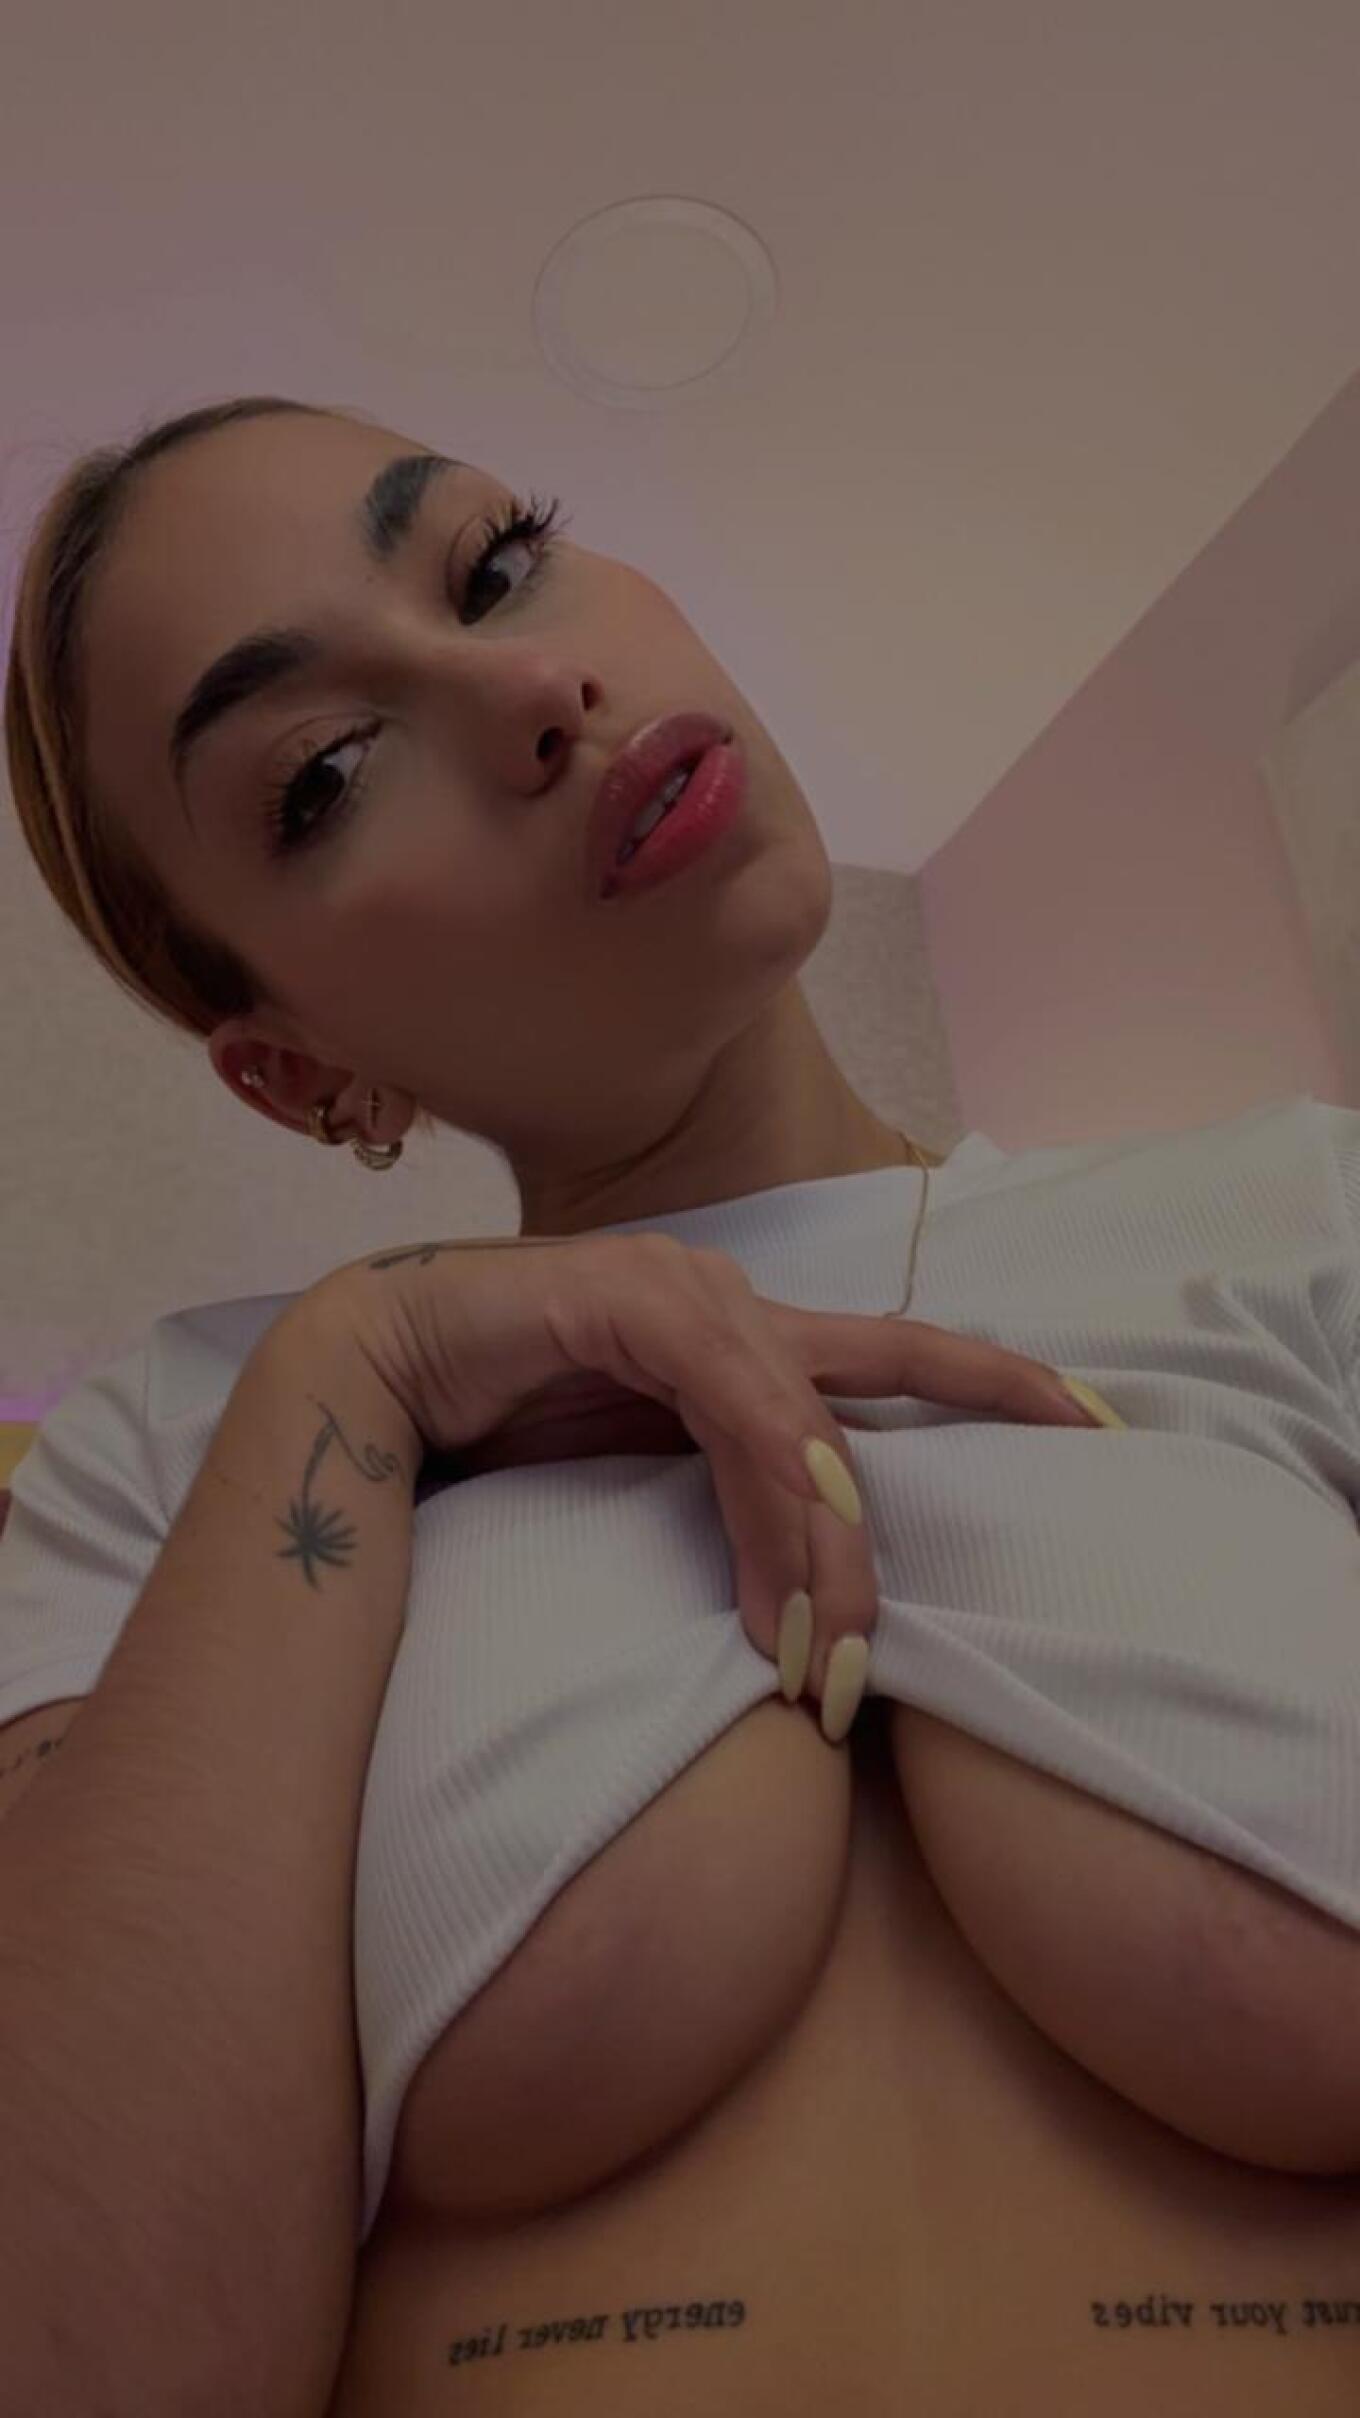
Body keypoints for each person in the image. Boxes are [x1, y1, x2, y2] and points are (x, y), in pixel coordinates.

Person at [3, 396, 1360, 2418]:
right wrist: (368, 1363)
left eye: (493, 564)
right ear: (296, 1072)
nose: (529, 691)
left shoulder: (1299, 1217)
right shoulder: (191, 1443)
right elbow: (86, 2355)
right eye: (329, 769)